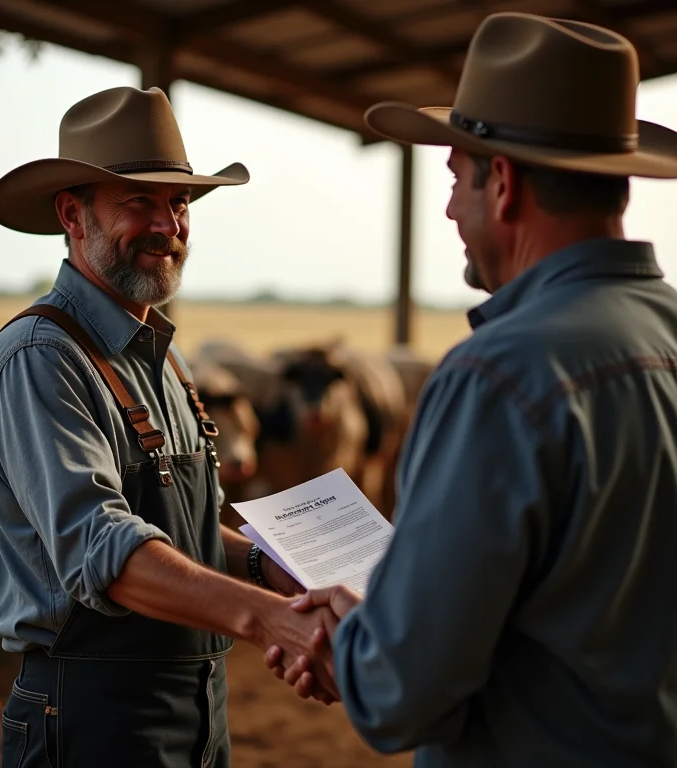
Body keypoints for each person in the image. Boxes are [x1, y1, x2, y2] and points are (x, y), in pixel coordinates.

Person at [266, 12, 677, 768]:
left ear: (506, 181)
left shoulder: (500, 375)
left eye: (457, 179)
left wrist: (350, 635)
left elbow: (401, 694)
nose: (453, 210)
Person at [0, 85, 338, 768]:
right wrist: (269, 618)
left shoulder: (164, 360)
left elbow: (180, 534)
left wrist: (268, 565)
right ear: (72, 216)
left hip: (196, 704)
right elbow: (101, 546)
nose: (168, 223)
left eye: (181, 202)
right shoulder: (40, 360)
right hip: (87, 713)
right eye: (139, 201)